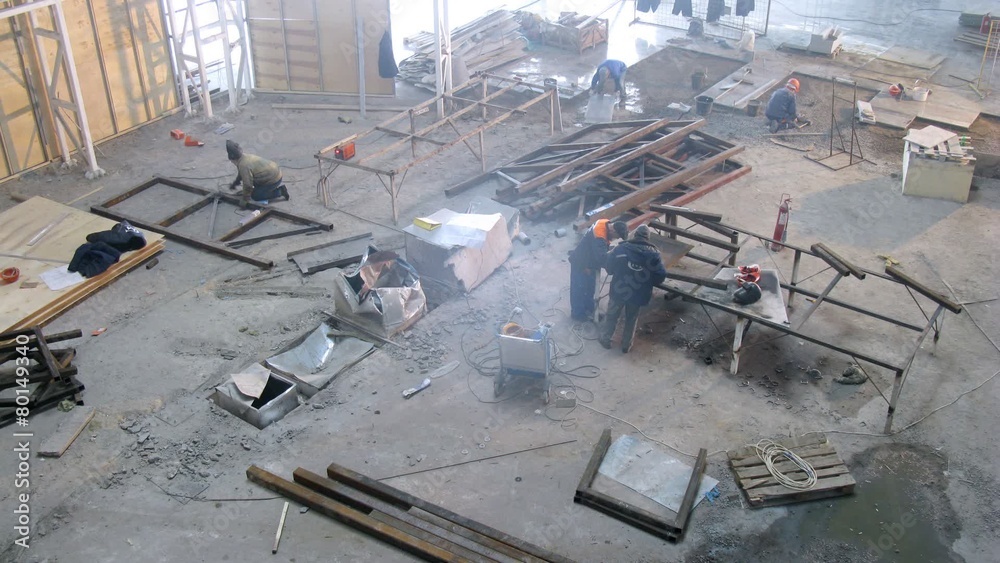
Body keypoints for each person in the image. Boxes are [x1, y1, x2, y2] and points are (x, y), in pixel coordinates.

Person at [599, 225, 667, 354]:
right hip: (638, 294)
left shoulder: (620, 249)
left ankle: (605, 339)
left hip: (619, 290)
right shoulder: (654, 255)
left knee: (612, 315)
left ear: (635, 235)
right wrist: (648, 282)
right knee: (631, 319)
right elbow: (661, 276)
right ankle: (626, 345)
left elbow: (609, 268)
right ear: (647, 237)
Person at [569, 219, 628, 322]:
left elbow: (600, 250)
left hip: (590, 261)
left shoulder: (605, 223)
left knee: (591, 288)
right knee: (579, 289)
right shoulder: (599, 236)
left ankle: (590, 310)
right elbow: (602, 258)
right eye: (617, 236)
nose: (616, 238)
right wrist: (613, 267)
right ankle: (578, 314)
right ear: (613, 230)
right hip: (580, 262)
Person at [226, 140, 289, 206]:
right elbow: (241, 174)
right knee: (251, 183)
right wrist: (235, 183)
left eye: (231, 161)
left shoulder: (243, 165)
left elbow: (248, 185)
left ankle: (280, 191)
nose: (232, 163)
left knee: (256, 196)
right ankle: (263, 189)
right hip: (272, 172)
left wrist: (245, 200)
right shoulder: (244, 157)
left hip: (274, 179)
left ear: (233, 159)